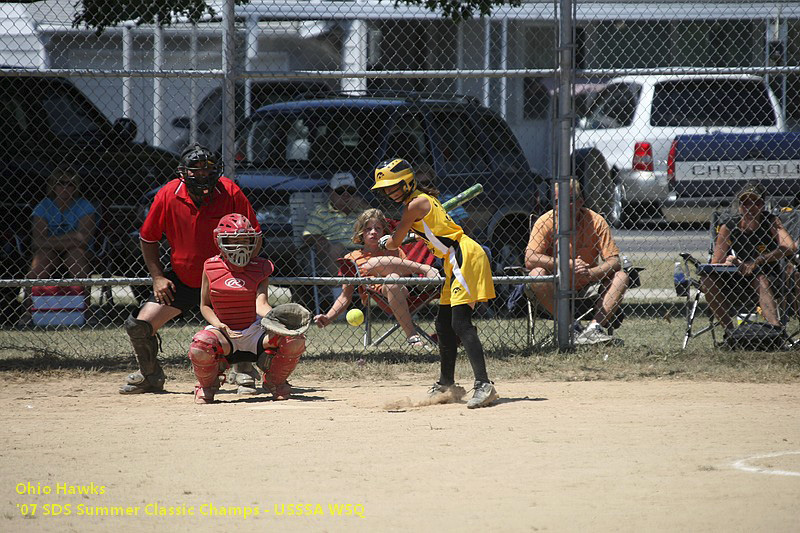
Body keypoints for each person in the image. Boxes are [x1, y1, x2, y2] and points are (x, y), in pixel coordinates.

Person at [119, 143, 262, 395]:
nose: (203, 175)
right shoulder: (168, 194)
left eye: (208, 169)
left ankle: (244, 369)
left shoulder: (229, 191)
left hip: (224, 277)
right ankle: (150, 375)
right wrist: (158, 277)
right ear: (183, 173)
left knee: (240, 316)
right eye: (196, 169)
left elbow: (255, 235)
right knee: (139, 326)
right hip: (184, 279)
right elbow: (148, 239)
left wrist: (241, 273)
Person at [372, 158, 498, 409]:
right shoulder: (417, 200)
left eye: (394, 186)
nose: (389, 192)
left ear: (408, 182)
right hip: (452, 260)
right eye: (386, 188)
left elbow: (395, 243)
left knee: (460, 323)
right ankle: (446, 384)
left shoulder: (414, 204)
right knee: (443, 324)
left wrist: (388, 241)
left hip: (463, 255)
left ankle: (484, 385)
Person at [190, 214, 308, 404]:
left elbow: (260, 304)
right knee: (200, 345)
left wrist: (278, 319)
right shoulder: (211, 266)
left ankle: (274, 382)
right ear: (220, 240)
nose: (240, 246)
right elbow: (204, 305)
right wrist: (219, 325)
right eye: (234, 240)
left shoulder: (261, 267)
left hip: (254, 332)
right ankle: (208, 385)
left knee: (294, 339)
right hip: (225, 332)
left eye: (245, 240)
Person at [313, 208, 441, 349]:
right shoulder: (352, 257)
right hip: (382, 295)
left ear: (383, 232)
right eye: (368, 229)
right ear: (361, 232)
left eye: (378, 228)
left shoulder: (393, 250)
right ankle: (412, 336)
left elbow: (406, 274)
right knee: (385, 275)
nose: (373, 232)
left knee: (389, 274)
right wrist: (328, 317)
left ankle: (426, 270)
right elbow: (345, 296)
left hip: (407, 290)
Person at [524, 178, 630, 345]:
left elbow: (614, 261)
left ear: (581, 201)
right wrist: (567, 264)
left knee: (621, 277)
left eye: (570, 200)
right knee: (536, 274)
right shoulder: (545, 221)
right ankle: (570, 326)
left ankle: (593, 329)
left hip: (587, 285)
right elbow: (530, 259)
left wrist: (591, 273)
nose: (564, 206)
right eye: (559, 201)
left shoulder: (595, 221)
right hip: (554, 286)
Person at [701, 182, 795, 336]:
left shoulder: (770, 221)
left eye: (756, 203)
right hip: (738, 275)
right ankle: (730, 332)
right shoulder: (729, 226)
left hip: (767, 274)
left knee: (760, 279)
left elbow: (790, 247)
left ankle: (776, 332)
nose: (750, 208)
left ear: (762, 205)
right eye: (745, 203)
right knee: (707, 280)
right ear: (739, 206)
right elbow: (716, 263)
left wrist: (758, 260)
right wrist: (728, 263)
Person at [19, 167, 96, 326]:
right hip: (49, 250)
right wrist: (72, 236)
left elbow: (83, 240)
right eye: (61, 183)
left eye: (71, 184)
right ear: (53, 186)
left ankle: (85, 310)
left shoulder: (85, 206)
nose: (66, 188)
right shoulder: (44, 206)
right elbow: (37, 242)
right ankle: (27, 312)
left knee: (77, 256)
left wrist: (52, 239)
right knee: (40, 262)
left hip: (75, 250)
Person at [303, 171, 369, 301]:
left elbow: (380, 224)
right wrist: (319, 239)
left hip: (363, 251)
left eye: (350, 191)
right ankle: (339, 300)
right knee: (336, 249)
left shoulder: (363, 212)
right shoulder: (321, 211)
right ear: (331, 193)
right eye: (340, 191)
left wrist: (363, 206)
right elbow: (308, 235)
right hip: (335, 253)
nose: (345, 195)